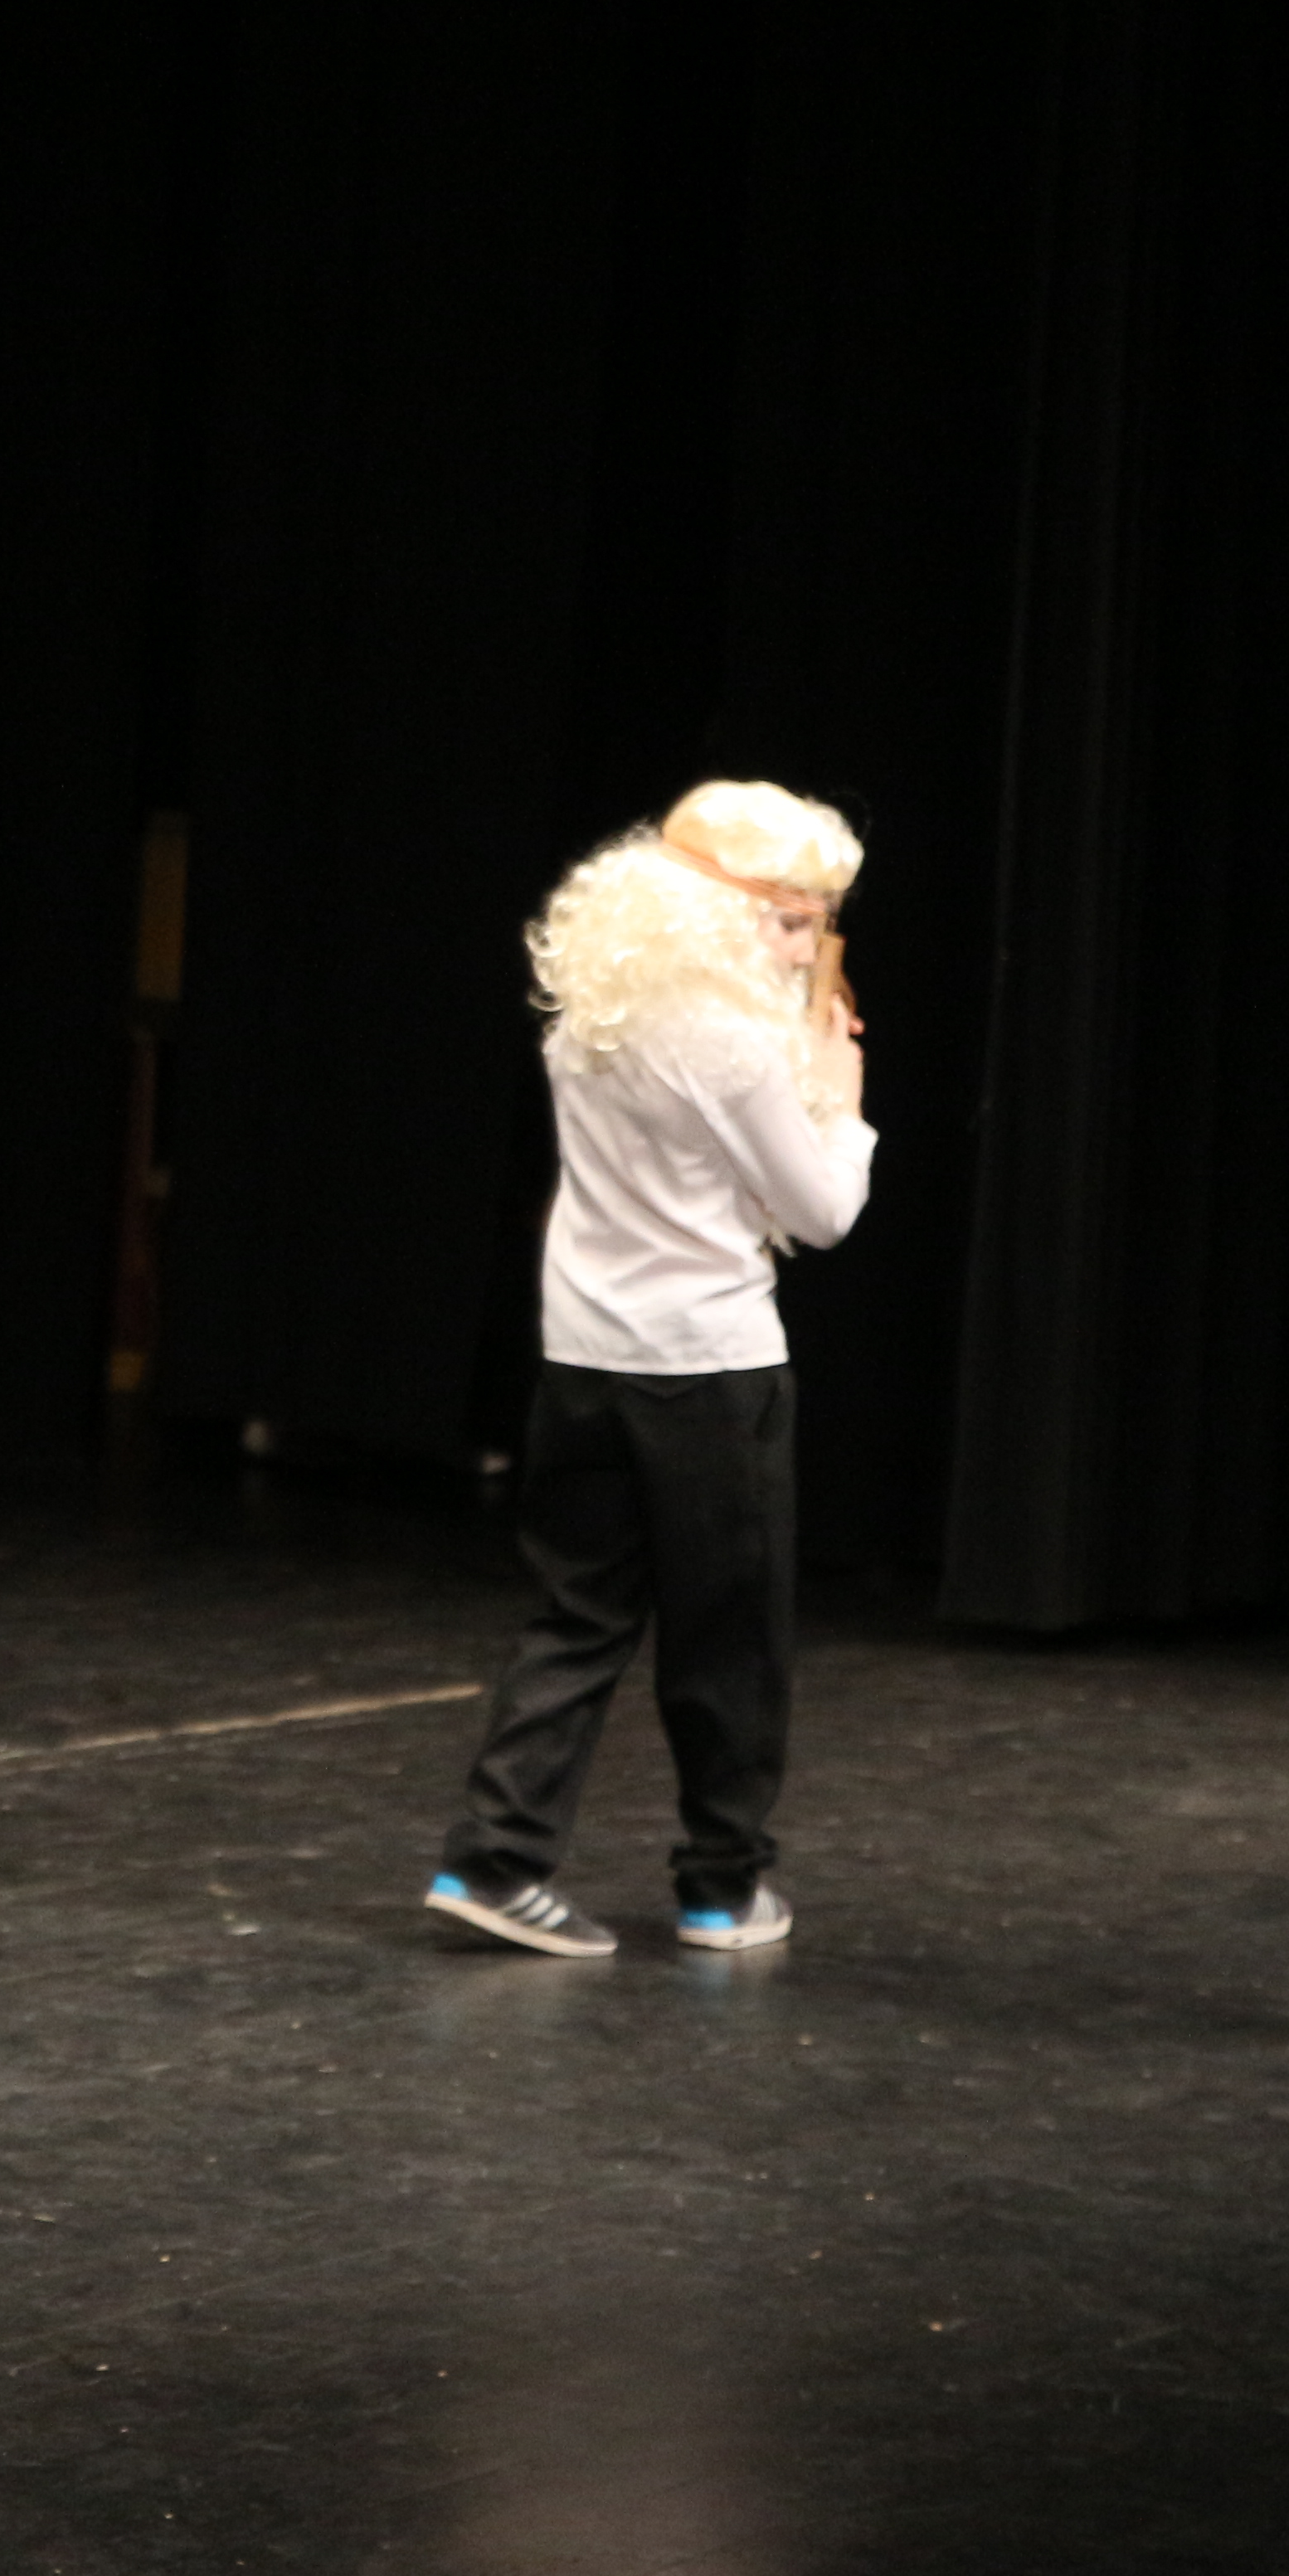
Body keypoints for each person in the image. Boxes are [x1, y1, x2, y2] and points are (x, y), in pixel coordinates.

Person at [426, 780, 870, 1957]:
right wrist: (845, 1102)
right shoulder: (731, 1042)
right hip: (709, 1369)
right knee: (729, 1638)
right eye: (789, 921)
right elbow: (822, 1214)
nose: (807, 947)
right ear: (712, 911)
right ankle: (722, 1886)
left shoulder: (591, 1013)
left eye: (818, 922)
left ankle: (494, 1859)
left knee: (576, 1617)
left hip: (586, 1355)